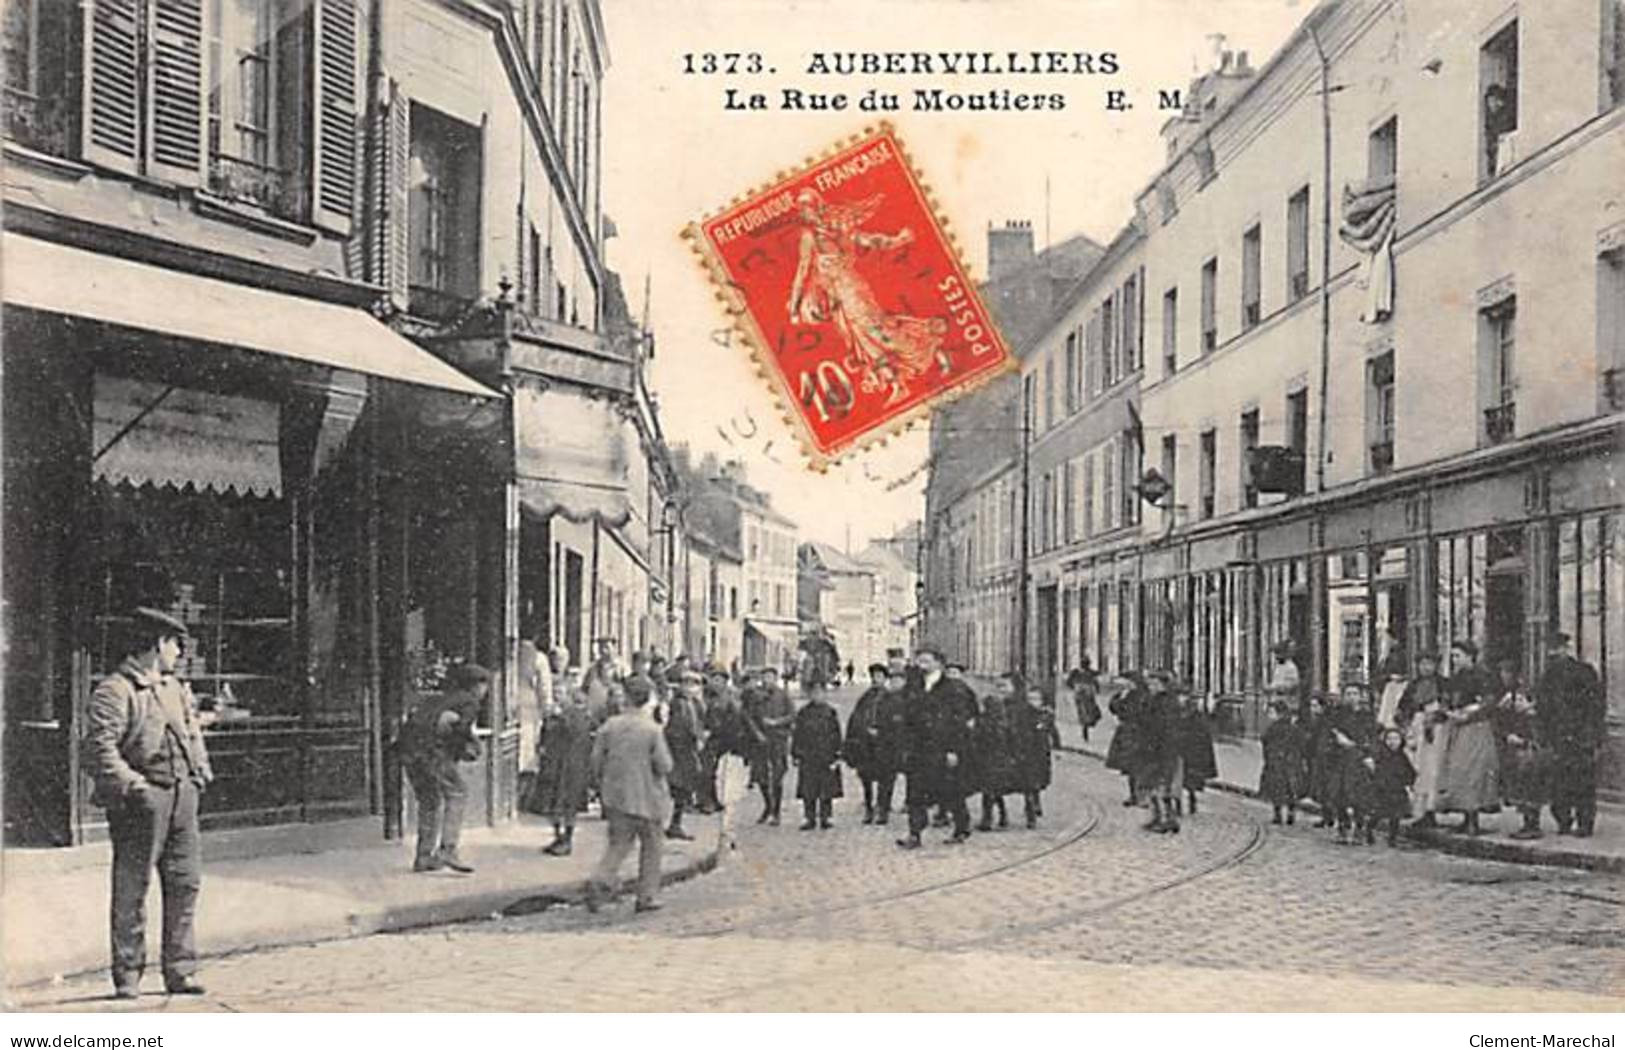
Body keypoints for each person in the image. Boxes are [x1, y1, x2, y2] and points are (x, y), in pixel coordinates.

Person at [83, 608, 214, 999]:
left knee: (185, 884)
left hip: (182, 799)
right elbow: (98, 750)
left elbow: (191, 732)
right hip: (142, 803)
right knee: (132, 889)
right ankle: (128, 975)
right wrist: (133, 785)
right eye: (176, 644)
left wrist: (199, 770)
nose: (179, 653)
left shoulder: (174, 689)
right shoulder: (115, 690)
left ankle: (180, 969)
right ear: (158, 644)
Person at [586, 676, 674, 914]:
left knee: (618, 845)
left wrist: (603, 784)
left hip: (615, 797)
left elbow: (595, 762)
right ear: (648, 700)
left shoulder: (609, 726)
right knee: (652, 847)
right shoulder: (652, 730)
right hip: (648, 797)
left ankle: (600, 880)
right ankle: (646, 896)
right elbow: (664, 765)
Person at [401, 662, 489, 874]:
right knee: (458, 793)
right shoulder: (469, 702)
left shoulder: (439, 698)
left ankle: (423, 856)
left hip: (409, 753)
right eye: (484, 685)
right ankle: (448, 848)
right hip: (433, 754)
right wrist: (468, 749)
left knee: (429, 801)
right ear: (476, 686)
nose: (485, 691)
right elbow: (460, 730)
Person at [896, 646, 977, 848]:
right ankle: (915, 833)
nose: (921, 665)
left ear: (938, 663)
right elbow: (906, 715)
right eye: (919, 661)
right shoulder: (913, 686)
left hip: (942, 747)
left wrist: (954, 750)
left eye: (926, 661)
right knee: (914, 791)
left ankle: (961, 826)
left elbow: (958, 722)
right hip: (918, 747)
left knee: (949, 790)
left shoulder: (952, 688)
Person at [1536, 630, 1606, 837]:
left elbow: (1595, 705)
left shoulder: (1584, 672)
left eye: (1557, 649)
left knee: (1581, 781)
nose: (1553, 653)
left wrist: (1592, 734)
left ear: (1566, 649)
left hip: (1579, 735)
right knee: (1561, 781)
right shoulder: (1549, 675)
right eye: (1550, 649)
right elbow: (1543, 707)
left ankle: (1583, 822)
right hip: (1559, 735)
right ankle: (1565, 821)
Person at [1435, 640, 1500, 836]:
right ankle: (1465, 815)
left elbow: (1489, 702)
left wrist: (1469, 713)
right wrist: (1447, 711)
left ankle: (1474, 819)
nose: (1455, 660)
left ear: (1470, 656)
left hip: (1476, 729)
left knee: (1474, 772)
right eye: (1453, 656)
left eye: (1458, 656)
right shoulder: (1456, 678)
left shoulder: (1483, 676)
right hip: (1457, 728)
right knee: (1458, 771)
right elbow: (1447, 699)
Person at [534, 676, 599, 857]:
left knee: (568, 804)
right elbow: (545, 735)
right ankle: (557, 836)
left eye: (560, 693)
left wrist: (559, 718)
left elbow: (576, 734)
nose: (557, 697)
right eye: (554, 693)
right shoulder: (553, 714)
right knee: (552, 803)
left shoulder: (575, 714)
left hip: (571, 765)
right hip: (553, 764)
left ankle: (567, 839)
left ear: (569, 696)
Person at [1492, 661, 1545, 840]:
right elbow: (1500, 720)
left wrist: (1525, 738)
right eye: (1502, 673)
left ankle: (1532, 824)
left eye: (1507, 673)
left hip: (1527, 744)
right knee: (1519, 783)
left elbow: (1535, 723)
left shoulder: (1525, 695)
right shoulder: (1507, 696)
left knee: (1528, 783)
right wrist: (1507, 734)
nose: (1503, 677)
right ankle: (1527, 822)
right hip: (1514, 743)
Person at [1397, 649, 1449, 827]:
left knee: (1434, 769)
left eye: (1430, 664)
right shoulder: (1413, 686)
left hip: (1437, 729)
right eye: (1422, 664)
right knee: (1418, 768)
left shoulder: (1443, 684)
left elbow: (1448, 705)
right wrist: (1405, 723)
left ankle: (1432, 809)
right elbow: (1402, 708)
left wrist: (1436, 716)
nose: (1426, 668)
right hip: (1417, 727)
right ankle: (1419, 811)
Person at [743, 666, 795, 825]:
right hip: (760, 740)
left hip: (778, 739)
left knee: (777, 775)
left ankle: (776, 812)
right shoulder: (755, 696)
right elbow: (748, 716)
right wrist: (756, 732)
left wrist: (777, 722)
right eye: (765, 677)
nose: (768, 680)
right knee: (760, 775)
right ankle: (768, 805)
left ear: (775, 678)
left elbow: (792, 715)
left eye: (771, 677)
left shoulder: (783, 695)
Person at [1005, 674, 1057, 828]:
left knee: (1037, 780)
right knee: (1028, 782)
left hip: (1040, 752)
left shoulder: (1045, 714)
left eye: (1036, 699)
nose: (1033, 702)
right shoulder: (1023, 713)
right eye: (1030, 699)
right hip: (1026, 751)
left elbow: (1053, 731)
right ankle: (1031, 812)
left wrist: (1057, 747)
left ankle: (1036, 802)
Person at [843, 663, 892, 823]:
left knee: (885, 778)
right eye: (874, 676)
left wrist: (882, 732)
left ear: (885, 679)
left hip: (884, 745)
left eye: (880, 676)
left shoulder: (891, 698)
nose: (876, 679)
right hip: (866, 745)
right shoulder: (866, 697)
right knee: (866, 777)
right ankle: (869, 808)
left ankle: (883, 809)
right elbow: (856, 717)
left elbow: (896, 722)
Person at [792, 682, 844, 830]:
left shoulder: (830, 712)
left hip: (826, 755)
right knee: (808, 788)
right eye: (814, 693)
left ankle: (826, 816)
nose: (817, 696)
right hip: (808, 755)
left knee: (826, 788)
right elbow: (798, 734)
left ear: (825, 695)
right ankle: (809, 817)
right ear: (810, 695)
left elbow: (836, 734)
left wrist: (838, 754)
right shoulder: (804, 713)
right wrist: (796, 753)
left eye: (820, 693)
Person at [663, 670, 706, 841]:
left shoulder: (693, 704)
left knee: (683, 787)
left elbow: (699, 722)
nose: (690, 688)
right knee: (678, 786)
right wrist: (694, 738)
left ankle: (675, 823)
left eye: (694, 684)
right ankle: (673, 824)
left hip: (687, 750)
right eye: (686, 684)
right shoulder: (679, 704)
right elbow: (679, 728)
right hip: (679, 750)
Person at [1138, 672, 1183, 833]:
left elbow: (1166, 727)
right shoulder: (1154, 700)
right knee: (1152, 784)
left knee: (1162, 784)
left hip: (1163, 749)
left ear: (1161, 684)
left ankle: (1167, 819)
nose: (1150, 687)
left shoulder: (1167, 702)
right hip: (1153, 748)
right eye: (1149, 684)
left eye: (1153, 684)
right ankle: (1157, 817)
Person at [698, 670, 743, 814]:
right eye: (713, 679)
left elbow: (735, 719)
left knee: (708, 770)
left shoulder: (728, 699)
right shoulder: (707, 696)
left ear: (724, 683)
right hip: (709, 737)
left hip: (718, 738)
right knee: (707, 770)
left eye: (718, 680)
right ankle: (709, 800)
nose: (714, 683)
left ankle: (708, 801)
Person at [973, 676, 1015, 831]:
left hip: (989, 759)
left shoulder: (986, 722)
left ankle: (987, 819)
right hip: (999, 759)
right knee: (994, 790)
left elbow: (978, 738)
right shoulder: (1003, 722)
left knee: (988, 791)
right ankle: (1003, 816)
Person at [1258, 700, 1305, 826]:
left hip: (1276, 763)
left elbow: (1265, 743)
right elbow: (1301, 744)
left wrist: (1269, 758)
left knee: (1276, 789)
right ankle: (1291, 812)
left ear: (1279, 714)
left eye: (1272, 713)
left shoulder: (1272, 728)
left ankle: (1278, 813)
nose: (1270, 716)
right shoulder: (1293, 727)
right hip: (1291, 763)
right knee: (1290, 789)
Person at [1369, 727, 1417, 846]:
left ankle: (1392, 838)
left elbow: (1410, 772)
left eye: (1396, 739)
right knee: (1379, 813)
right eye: (1389, 739)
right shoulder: (1382, 756)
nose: (1392, 742)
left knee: (1396, 816)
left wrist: (1408, 784)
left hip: (1398, 789)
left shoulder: (1403, 756)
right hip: (1384, 789)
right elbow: (1377, 772)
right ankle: (1369, 830)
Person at [1105, 672, 1148, 806]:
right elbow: (1113, 708)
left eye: (1128, 682)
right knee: (1130, 766)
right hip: (1126, 732)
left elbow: (1135, 712)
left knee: (1140, 765)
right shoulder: (1125, 694)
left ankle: (1142, 796)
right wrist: (1120, 699)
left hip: (1140, 732)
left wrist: (1123, 703)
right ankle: (1133, 795)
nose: (1125, 684)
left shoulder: (1143, 696)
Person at [1175, 690, 1217, 816]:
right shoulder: (1177, 712)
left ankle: (1191, 801)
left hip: (1190, 751)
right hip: (1180, 750)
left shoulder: (1196, 715)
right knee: (1177, 781)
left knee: (1188, 780)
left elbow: (1203, 734)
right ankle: (1179, 805)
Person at [1065, 658, 1102, 744]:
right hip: (1087, 695)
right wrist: (1097, 689)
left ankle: (1085, 726)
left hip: (1079, 695)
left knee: (1085, 712)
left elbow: (1068, 682)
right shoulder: (1088, 672)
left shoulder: (1076, 672)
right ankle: (1086, 728)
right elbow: (1096, 681)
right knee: (1090, 712)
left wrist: (1075, 687)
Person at [1267, 640, 1304, 717]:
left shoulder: (1291, 667)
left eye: (1278, 654)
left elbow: (1293, 684)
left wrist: (1275, 687)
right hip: (1278, 704)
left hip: (1287, 705)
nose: (1276, 657)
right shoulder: (1278, 666)